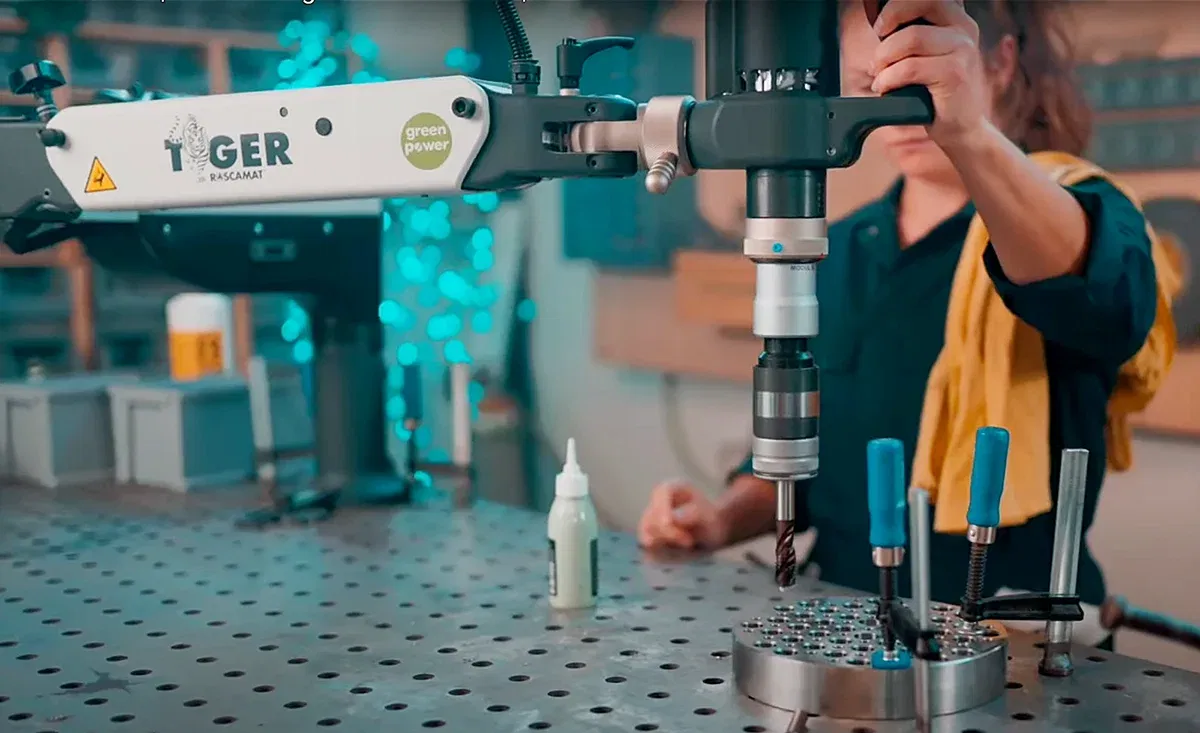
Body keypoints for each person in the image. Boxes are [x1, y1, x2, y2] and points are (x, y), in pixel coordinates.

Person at [638, 0, 1177, 636]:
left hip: (1017, 640)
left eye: (913, 82)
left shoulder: (1080, 214)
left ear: (998, 64)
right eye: (871, 87)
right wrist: (721, 518)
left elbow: (1109, 304)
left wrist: (969, 132)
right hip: (839, 627)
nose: (892, 109)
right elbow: (806, 466)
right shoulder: (835, 248)